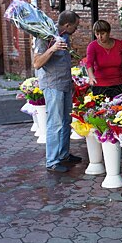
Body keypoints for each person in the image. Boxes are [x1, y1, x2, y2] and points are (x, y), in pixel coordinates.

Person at [33, 10, 82, 173]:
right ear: (67, 25)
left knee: (66, 121)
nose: (77, 29)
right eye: (76, 26)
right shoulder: (44, 35)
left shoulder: (66, 36)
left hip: (65, 83)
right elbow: (37, 63)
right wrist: (53, 48)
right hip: (53, 84)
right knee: (55, 123)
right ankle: (52, 161)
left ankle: (63, 154)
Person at [86, 20, 122, 98]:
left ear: (108, 32)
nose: (99, 37)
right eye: (97, 34)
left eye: (102, 34)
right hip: (100, 84)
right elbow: (89, 63)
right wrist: (91, 76)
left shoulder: (119, 44)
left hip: (118, 83)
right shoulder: (92, 46)